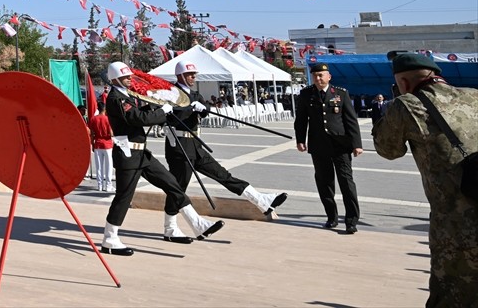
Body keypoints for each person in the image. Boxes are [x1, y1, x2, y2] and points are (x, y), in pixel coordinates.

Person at [373, 52, 478, 307]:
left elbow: (388, 149)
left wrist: (390, 111)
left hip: (454, 226)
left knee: (451, 294)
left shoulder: (407, 104)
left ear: (404, 83)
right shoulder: (474, 96)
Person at [99, 61, 224, 255]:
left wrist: (158, 106)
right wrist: (161, 112)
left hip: (142, 154)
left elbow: (142, 113)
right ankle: (110, 238)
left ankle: (196, 223)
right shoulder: (116, 98)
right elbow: (137, 119)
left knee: (171, 183)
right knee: (124, 197)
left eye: (130, 76)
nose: (130, 79)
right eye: (125, 77)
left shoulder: (128, 95)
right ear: (115, 79)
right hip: (128, 155)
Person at [165, 60, 287, 215]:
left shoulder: (195, 94)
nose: (193, 77)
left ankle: (260, 200)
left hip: (196, 145)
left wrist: (204, 108)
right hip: (180, 146)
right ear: (180, 75)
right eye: (189, 74)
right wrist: (185, 108)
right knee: (178, 188)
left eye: (194, 74)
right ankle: (170, 227)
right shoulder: (170, 93)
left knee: (222, 175)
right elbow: (169, 117)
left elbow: (205, 110)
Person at [294, 62, 363, 233]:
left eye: (321, 75)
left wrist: (357, 144)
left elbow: (351, 121)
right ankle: (331, 216)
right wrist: (300, 140)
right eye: (315, 76)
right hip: (319, 146)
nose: (318, 78)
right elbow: (301, 120)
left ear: (329, 77)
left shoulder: (340, 93)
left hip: (341, 145)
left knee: (346, 182)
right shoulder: (306, 94)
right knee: (324, 183)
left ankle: (351, 220)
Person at [88, 105, 114, 193]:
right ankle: (108, 185)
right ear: (105, 109)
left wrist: (92, 143)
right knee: (109, 166)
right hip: (107, 144)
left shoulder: (93, 119)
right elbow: (111, 133)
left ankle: (99, 185)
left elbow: (91, 133)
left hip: (97, 143)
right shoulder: (108, 119)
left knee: (99, 166)